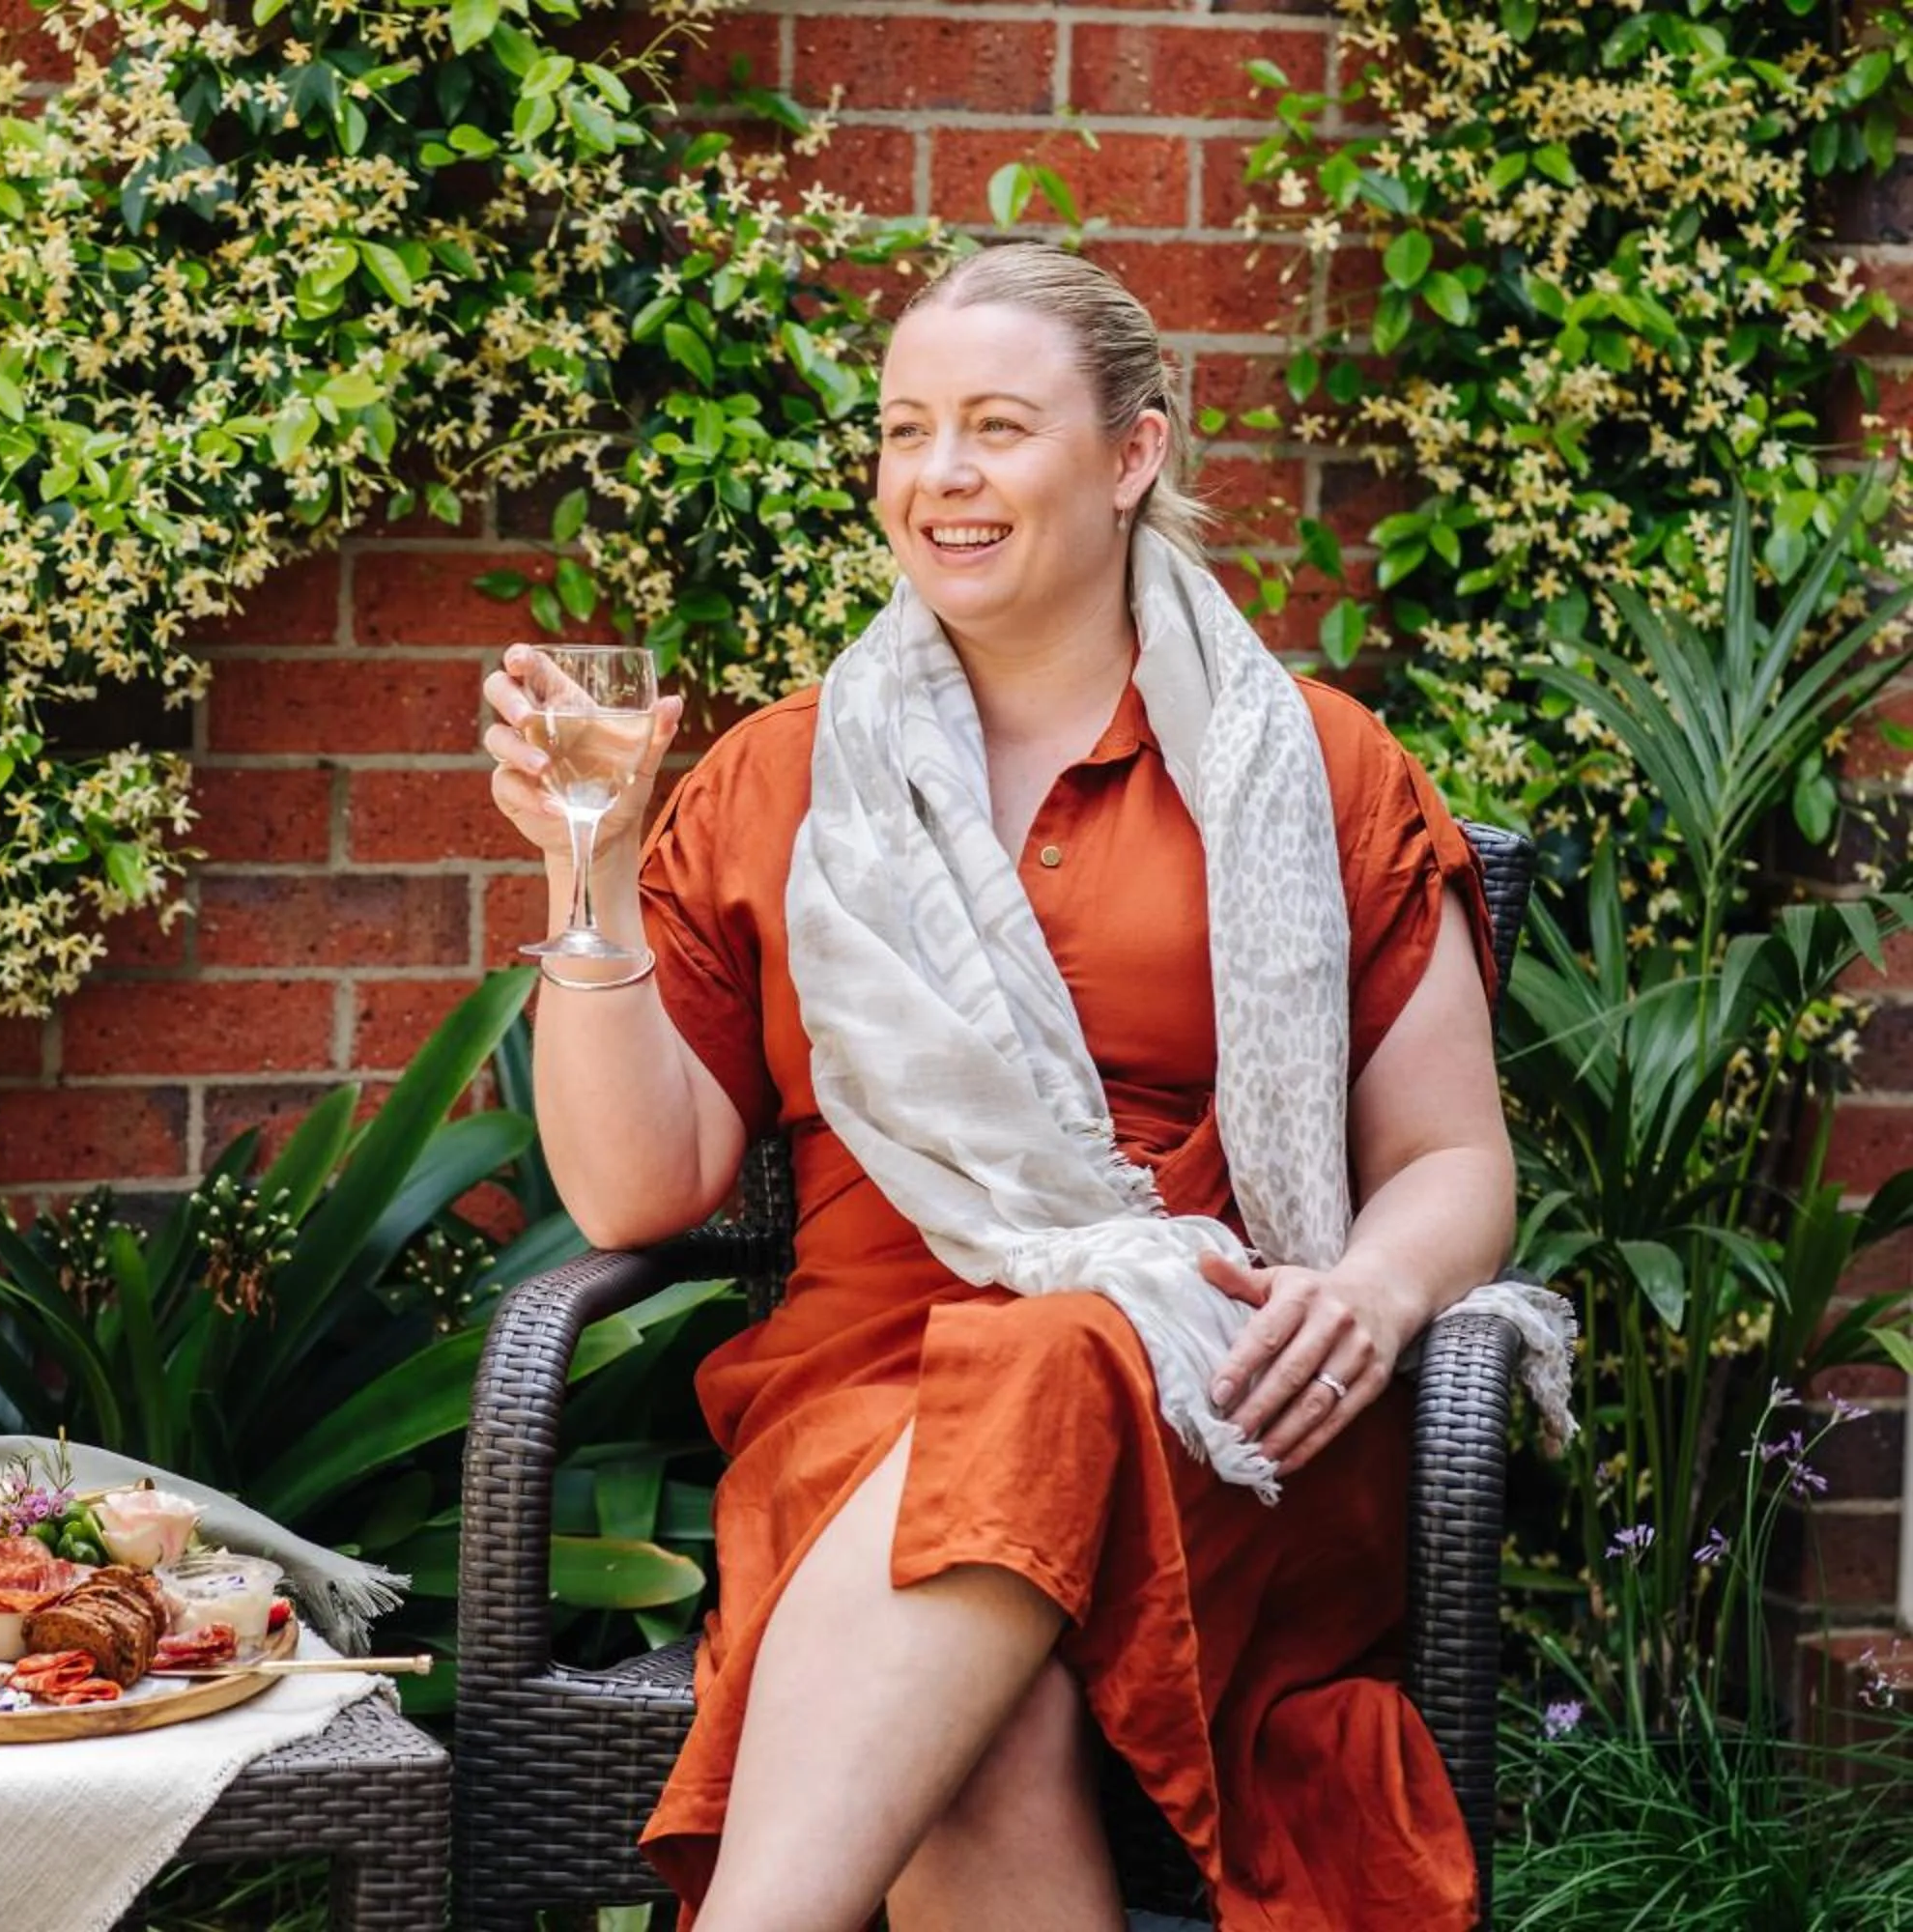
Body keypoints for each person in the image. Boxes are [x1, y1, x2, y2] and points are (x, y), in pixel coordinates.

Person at [480, 242, 1532, 1931]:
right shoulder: (783, 780)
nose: (939, 477)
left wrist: (1377, 1289)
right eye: (905, 432)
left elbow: (1451, 1159)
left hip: (1223, 1417)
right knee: (985, 1718)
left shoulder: (1316, 769)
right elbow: (634, 1192)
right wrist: (583, 873)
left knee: (1059, 1350)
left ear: (1133, 456)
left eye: (995, 426)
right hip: (859, 1405)